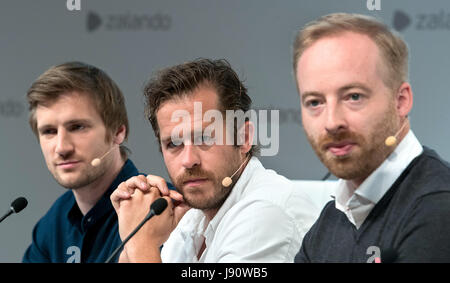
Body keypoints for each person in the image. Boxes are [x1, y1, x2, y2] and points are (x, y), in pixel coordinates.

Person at [110, 58, 319, 262]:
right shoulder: (192, 218)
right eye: (174, 144)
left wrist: (141, 241)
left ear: (244, 138)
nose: (189, 160)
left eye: (204, 138)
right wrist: (133, 241)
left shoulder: (268, 214)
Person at [292, 13, 450, 263]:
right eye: (315, 102)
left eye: (354, 96)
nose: (332, 122)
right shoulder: (333, 218)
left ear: (401, 101)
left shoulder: (438, 207)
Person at [23, 62, 142, 263]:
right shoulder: (52, 224)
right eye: (49, 132)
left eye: (77, 127)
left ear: (118, 132)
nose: (62, 148)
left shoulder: (157, 210)